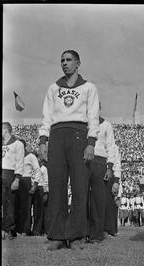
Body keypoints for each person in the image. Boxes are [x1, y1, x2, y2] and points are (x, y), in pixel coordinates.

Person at [38, 50, 100, 251]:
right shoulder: (53, 88)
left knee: (80, 186)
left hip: (79, 134)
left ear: (78, 63)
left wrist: (91, 143)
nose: (65, 63)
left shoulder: (89, 87)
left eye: (69, 60)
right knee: (56, 186)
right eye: (62, 60)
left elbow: (93, 117)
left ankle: (76, 235)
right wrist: (42, 141)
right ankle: (56, 235)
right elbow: (46, 116)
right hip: (56, 135)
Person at [86, 110, 116, 243]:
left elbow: (111, 146)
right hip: (85, 160)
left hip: (100, 161)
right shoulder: (83, 123)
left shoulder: (106, 125)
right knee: (82, 198)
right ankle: (82, 232)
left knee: (98, 200)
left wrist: (109, 167)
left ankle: (97, 234)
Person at [2, 122, 25, 240]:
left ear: (5, 130)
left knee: (9, 203)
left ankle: (9, 229)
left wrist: (17, 179)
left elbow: (20, 162)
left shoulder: (18, 144)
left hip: (10, 174)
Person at [18, 139, 41, 236]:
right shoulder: (17, 157)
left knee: (26, 207)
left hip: (27, 181)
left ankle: (25, 230)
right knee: (19, 207)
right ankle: (18, 229)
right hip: (18, 181)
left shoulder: (31, 157)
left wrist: (35, 185)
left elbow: (37, 170)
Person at [104, 144, 121, 237]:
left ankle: (108, 229)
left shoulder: (114, 146)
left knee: (109, 204)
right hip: (97, 171)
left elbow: (117, 163)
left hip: (110, 175)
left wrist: (116, 181)